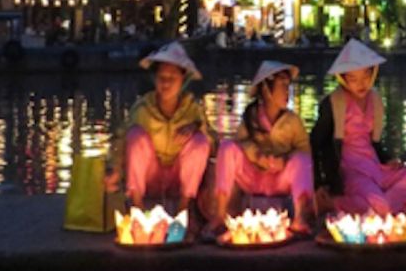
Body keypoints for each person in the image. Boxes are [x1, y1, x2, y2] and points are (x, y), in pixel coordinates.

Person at [311, 39, 406, 214]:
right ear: (343, 78)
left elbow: (374, 142)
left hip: (375, 167)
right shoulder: (335, 103)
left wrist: (387, 160)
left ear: (373, 74)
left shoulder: (374, 100)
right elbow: (315, 143)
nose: (361, 84)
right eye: (353, 79)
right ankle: (342, 204)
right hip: (352, 172)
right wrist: (319, 183)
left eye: (365, 77)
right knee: (380, 204)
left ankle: (380, 206)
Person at [207, 61, 314, 235]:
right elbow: (239, 144)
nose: (287, 92)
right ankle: (219, 215)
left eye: (288, 87)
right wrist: (257, 157)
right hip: (253, 179)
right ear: (266, 89)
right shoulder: (250, 117)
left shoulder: (293, 121)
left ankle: (300, 218)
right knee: (226, 147)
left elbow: (304, 153)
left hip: (280, 180)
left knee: (302, 160)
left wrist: (284, 160)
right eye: (282, 87)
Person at [109, 42, 215, 214]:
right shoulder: (143, 108)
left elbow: (212, 144)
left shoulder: (192, 109)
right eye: (161, 78)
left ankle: (184, 209)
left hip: (179, 180)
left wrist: (196, 127)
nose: (166, 84)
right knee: (135, 135)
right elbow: (120, 141)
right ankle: (137, 207)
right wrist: (114, 169)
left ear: (183, 80)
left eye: (172, 78)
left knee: (200, 141)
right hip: (150, 178)